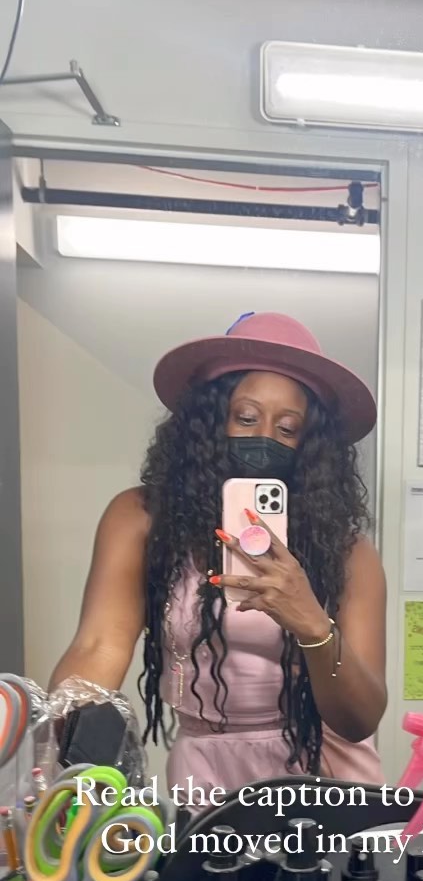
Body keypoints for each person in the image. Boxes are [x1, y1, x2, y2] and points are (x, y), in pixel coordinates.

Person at [50, 312, 387, 798]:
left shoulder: (346, 552)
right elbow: (99, 646)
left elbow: (360, 718)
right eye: (246, 418)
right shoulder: (143, 519)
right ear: (208, 421)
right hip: (204, 768)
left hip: (322, 769)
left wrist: (312, 623)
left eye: (288, 428)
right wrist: (69, 761)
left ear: (311, 445)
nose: (264, 438)